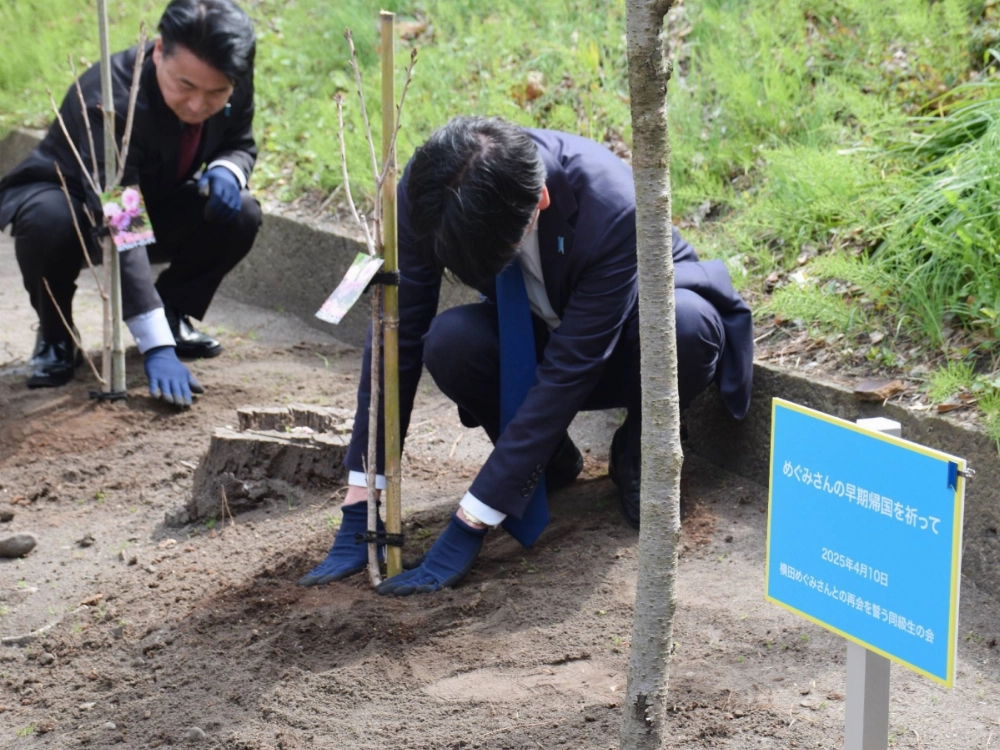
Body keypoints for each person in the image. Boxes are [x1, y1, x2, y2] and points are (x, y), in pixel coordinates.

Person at [298, 116, 754, 595]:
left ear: (539, 202)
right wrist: (362, 493)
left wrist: (472, 518)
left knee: (685, 327)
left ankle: (640, 451)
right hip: (529, 332)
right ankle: (548, 462)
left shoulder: (613, 207)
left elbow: (569, 372)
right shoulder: (429, 189)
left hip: (624, 340)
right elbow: (397, 331)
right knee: (449, 341)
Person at [0, 0, 260, 405]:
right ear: (159, 51)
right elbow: (124, 220)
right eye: (185, 86)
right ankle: (56, 335)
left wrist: (229, 169)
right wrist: (154, 347)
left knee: (242, 211)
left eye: (216, 93)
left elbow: (239, 142)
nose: (197, 106)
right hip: (75, 203)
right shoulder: (111, 101)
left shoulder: (232, 74)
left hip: (159, 199)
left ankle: (173, 313)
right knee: (47, 221)